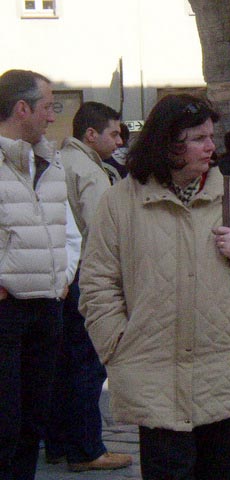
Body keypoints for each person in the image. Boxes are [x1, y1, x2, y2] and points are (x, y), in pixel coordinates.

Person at [78, 94, 230, 480]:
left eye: (211, 136)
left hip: (223, 373)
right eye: (198, 138)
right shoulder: (119, 202)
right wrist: (116, 343)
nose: (211, 146)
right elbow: (97, 283)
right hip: (155, 376)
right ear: (167, 143)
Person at [0, 69, 81, 480]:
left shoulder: (50, 161)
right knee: (5, 425)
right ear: (22, 108)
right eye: (48, 107)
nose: (52, 116)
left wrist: (62, 277)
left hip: (47, 308)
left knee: (33, 423)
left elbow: (69, 231)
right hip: (6, 311)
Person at [45, 102, 132, 472]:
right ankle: (86, 448)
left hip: (62, 276)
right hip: (85, 276)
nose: (119, 141)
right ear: (91, 134)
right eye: (114, 133)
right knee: (87, 366)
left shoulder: (59, 162)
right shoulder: (90, 171)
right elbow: (101, 233)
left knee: (62, 365)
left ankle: (58, 442)